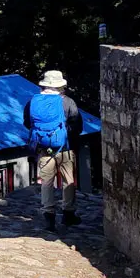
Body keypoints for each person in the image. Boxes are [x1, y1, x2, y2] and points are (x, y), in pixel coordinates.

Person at [23, 69, 84, 232]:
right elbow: (78, 126)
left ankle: (48, 216)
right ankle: (68, 213)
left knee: (46, 182)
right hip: (65, 147)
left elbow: (27, 123)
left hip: (44, 149)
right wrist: (62, 134)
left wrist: (45, 136)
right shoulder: (67, 102)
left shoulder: (33, 102)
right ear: (61, 86)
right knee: (68, 180)